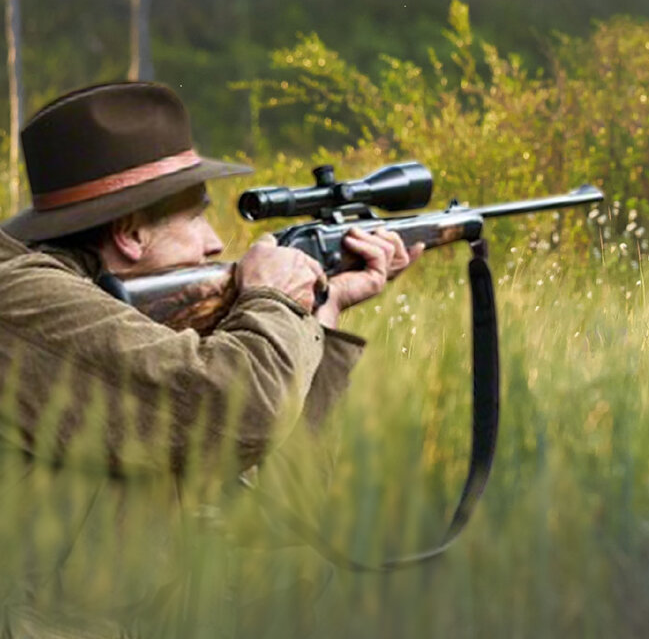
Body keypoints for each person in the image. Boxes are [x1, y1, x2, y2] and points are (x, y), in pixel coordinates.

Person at [0, 82, 421, 637]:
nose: (216, 243)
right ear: (130, 233)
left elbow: (280, 515)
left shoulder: (130, 326)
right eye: (196, 218)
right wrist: (270, 300)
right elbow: (233, 408)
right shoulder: (23, 304)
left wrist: (321, 313)